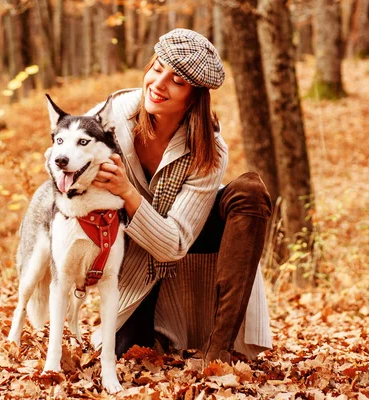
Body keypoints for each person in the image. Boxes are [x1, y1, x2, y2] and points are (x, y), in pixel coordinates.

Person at [89, 29, 273, 364]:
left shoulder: (209, 150)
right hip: (132, 253)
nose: (159, 84)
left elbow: (174, 243)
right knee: (128, 354)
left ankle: (219, 348)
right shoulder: (112, 116)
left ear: (194, 96)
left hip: (183, 238)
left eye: (177, 80)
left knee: (250, 192)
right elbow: (58, 158)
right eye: (156, 69)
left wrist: (125, 191)